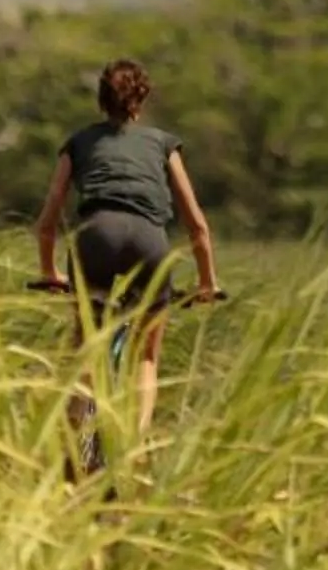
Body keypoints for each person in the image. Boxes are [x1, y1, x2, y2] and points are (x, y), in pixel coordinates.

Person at [33, 59, 220, 459]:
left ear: (101, 100)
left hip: (95, 236)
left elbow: (47, 222)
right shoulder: (162, 144)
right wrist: (207, 284)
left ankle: (73, 454)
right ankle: (132, 452)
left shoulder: (78, 143)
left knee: (86, 345)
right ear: (142, 98)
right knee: (146, 354)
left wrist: (50, 272)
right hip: (149, 242)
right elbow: (198, 227)